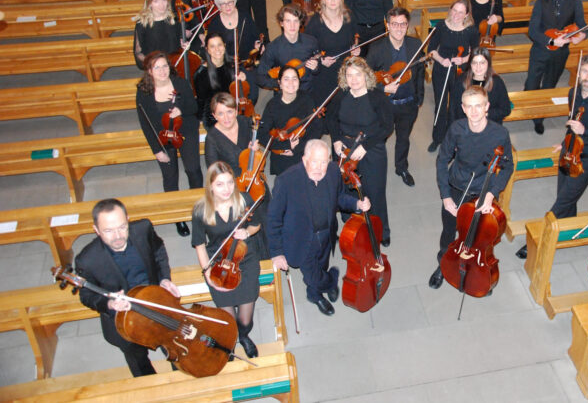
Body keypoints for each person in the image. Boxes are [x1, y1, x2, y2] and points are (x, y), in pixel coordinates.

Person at [516, 54, 588, 259]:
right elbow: (572, 121)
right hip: (568, 152)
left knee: (561, 202)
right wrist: (565, 140)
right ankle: (568, 230)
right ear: (579, 72)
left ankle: (537, 240)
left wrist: (586, 132)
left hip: (586, 159)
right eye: (585, 71)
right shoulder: (573, 93)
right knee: (566, 198)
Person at [75, 198, 180, 376]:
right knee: (137, 359)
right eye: (108, 230)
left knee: (172, 342)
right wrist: (109, 304)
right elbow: (86, 295)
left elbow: (158, 250)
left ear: (128, 220)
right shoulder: (87, 259)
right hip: (123, 318)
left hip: (153, 301)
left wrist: (164, 279)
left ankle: (181, 373)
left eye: (122, 227)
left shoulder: (143, 229)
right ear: (96, 230)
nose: (117, 236)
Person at [267, 139, 370, 315]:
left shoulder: (332, 172)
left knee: (322, 264)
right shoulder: (286, 181)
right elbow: (273, 219)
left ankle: (314, 293)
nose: (319, 167)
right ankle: (331, 280)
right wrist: (277, 253)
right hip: (301, 240)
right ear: (304, 159)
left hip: (326, 234)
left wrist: (357, 204)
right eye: (314, 161)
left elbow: (339, 198)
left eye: (323, 162)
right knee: (312, 275)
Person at [429, 86, 514, 289]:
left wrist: (491, 195)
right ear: (463, 108)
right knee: (449, 231)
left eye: (479, 106)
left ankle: (476, 268)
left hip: (483, 192)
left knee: (478, 236)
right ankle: (443, 263)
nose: (474, 111)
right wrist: (446, 196)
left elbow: (507, 166)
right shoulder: (456, 129)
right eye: (469, 107)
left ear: (487, 107)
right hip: (457, 187)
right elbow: (442, 161)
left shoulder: (499, 134)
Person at [193, 162, 266, 358]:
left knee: (245, 319)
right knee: (228, 319)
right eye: (219, 184)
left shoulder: (244, 200)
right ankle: (230, 340)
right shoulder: (201, 210)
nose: (226, 189)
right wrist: (207, 273)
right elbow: (199, 245)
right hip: (218, 262)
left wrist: (247, 233)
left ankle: (243, 335)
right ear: (210, 187)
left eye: (229, 183)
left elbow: (257, 225)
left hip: (245, 258)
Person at [327, 57, 394, 246]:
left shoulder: (377, 97)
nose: (354, 79)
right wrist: (336, 140)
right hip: (345, 149)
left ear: (366, 75)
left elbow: (387, 126)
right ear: (344, 77)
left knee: (374, 191)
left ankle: (381, 230)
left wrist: (366, 146)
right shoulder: (341, 95)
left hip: (370, 148)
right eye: (349, 75)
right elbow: (331, 120)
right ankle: (351, 224)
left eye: (358, 74)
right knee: (347, 190)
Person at [136, 52, 203, 236]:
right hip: (163, 137)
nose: (162, 70)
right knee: (170, 176)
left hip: (186, 131)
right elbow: (145, 124)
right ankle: (178, 217)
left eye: (165, 66)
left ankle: (199, 210)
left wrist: (181, 110)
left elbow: (194, 107)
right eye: (156, 67)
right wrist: (157, 150)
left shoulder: (180, 83)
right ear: (149, 71)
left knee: (193, 170)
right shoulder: (144, 91)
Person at [366, 7, 425, 187]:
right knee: (379, 139)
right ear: (387, 25)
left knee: (403, 138)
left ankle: (401, 168)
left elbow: (420, 73)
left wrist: (419, 98)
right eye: (394, 24)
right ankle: (375, 169)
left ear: (407, 25)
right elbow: (367, 79)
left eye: (402, 24)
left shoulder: (415, 45)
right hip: (385, 105)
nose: (398, 28)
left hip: (408, 105)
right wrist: (383, 89)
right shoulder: (376, 49)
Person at [525, 0, 586, 135]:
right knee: (531, 83)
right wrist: (551, 40)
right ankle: (528, 106)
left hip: (560, 54)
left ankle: (539, 118)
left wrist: (582, 35)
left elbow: (581, 24)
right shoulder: (541, 1)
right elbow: (532, 30)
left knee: (549, 85)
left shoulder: (575, 1)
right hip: (540, 50)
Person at [427, 0, 479, 152]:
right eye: (454, 10)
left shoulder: (471, 30)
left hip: (460, 71)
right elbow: (431, 49)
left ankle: (453, 140)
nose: (456, 15)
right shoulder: (441, 26)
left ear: (467, 14)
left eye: (460, 12)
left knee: (457, 107)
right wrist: (441, 60)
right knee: (440, 104)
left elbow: (475, 53)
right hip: (442, 68)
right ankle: (437, 138)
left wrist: (462, 59)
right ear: (450, 10)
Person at [257, 65, 321, 175]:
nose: (291, 83)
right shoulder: (272, 105)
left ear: (299, 81)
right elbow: (261, 134)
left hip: (303, 150)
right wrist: (285, 147)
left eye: (294, 78)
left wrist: (298, 148)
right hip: (282, 152)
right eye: (286, 79)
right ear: (279, 83)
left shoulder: (307, 99)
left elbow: (316, 129)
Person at [304, 0, 360, 108]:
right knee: (327, 107)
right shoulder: (315, 22)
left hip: (345, 68)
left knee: (347, 106)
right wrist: (321, 60)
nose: (333, 0)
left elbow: (355, 39)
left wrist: (356, 48)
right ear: (323, 0)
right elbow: (307, 50)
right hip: (324, 71)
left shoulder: (349, 17)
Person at [255, 4, 319, 91]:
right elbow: (260, 77)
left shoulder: (311, 42)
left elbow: (319, 69)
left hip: (307, 92)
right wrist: (279, 84)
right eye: (288, 21)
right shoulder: (273, 47)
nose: (292, 26)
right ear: (281, 23)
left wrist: (315, 68)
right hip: (284, 94)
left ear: (300, 23)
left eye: (296, 21)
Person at [449, 47, 510, 125]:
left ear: (488, 63)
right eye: (474, 63)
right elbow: (453, 111)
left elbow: (505, 109)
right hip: (466, 126)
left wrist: (484, 114)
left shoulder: (497, 82)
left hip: (489, 125)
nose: (478, 67)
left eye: (482, 63)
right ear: (470, 64)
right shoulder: (460, 81)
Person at [204, 92, 259, 177]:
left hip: (251, 172)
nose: (226, 118)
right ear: (215, 116)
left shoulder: (245, 122)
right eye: (221, 113)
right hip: (229, 179)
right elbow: (213, 170)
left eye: (229, 111)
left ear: (236, 111)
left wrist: (255, 150)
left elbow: (255, 149)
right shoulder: (212, 138)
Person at [193, 33, 242, 128]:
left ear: (224, 46)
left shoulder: (233, 67)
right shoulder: (201, 74)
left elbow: (239, 94)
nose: (217, 49)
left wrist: (242, 79)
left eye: (219, 45)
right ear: (207, 50)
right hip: (213, 117)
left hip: (233, 112)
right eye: (212, 46)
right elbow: (201, 102)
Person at [133, 0, 183, 69]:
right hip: (154, 68)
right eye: (156, 1)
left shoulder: (174, 19)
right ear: (149, 3)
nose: (161, 5)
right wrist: (155, 66)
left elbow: (178, 45)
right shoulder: (142, 24)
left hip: (175, 66)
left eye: (163, 0)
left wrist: (184, 45)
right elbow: (138, 53)